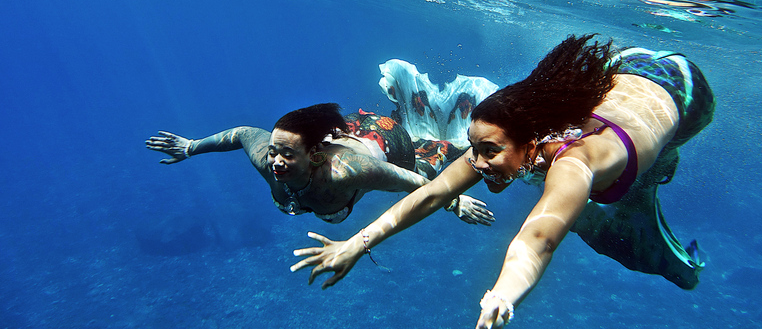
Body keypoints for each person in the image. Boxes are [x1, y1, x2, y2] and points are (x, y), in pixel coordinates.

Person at [290, 35, 715, 328]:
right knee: (587, 196)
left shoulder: (575, 161)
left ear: (530, 141)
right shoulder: (517, 136)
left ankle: (660, 167)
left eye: (489, 150)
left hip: (682, 88)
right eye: (475, 148)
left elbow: (538, 240)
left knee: (639, 191)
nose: (476, 163)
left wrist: (502, 295)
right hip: (620, 66)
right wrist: (356, 243)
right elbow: (434, 192)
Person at [147, 60, 499, 225]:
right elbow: (239, 134)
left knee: (428, 151)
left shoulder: (349, 171)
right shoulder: (268, 159)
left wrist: (455, 203)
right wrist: (191, 147)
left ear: (315, 156)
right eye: (274, 152)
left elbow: (415, 183)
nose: (275, 162)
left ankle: (447, 113)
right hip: (350, 130)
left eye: (285, 154)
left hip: (389, 142)